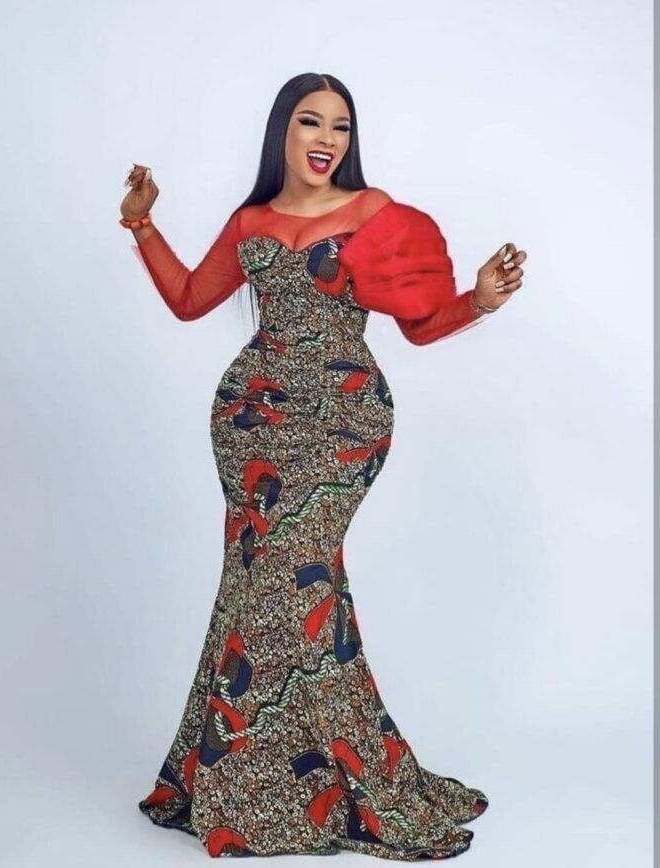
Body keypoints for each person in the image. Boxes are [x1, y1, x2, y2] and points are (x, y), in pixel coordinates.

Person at [120, 73, 526, 861]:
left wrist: (477, 299)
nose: (327, 139)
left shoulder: (375, 213)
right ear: (284, 129)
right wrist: (141, 224)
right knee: (261, 588)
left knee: (297, 585)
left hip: (343, 423)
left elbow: (418, 325)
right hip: (251, 422)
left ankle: (344, 785)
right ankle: (245, 789)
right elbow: (189, 299)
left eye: (341, 126)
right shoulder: (252, 222)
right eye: (312, 121)